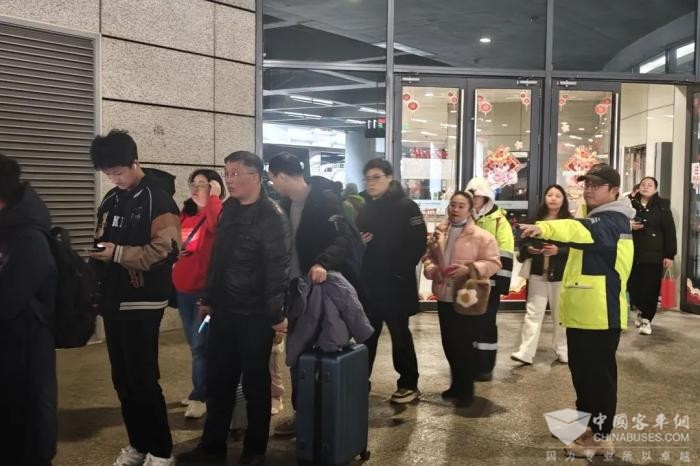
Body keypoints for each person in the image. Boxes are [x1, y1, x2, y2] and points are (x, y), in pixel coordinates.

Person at [177, 151, 291, 466]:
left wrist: (276, 314)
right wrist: (208, 298)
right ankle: (212, 447)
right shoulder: (228, 210)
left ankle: (255, 450)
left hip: (255, 315)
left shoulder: (272, 215)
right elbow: (218, 259)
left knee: (256, 385)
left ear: (256, 176)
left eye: (236, 173)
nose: (229, 179)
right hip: (224, 311)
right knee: (219, 382)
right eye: (227, 173)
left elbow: (278, 268)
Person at [519, 164, 634, 458]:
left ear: (614, 191)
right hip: (585, 313)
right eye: (587, 185)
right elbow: (584, 243)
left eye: (596, 185)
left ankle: (600, 436)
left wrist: (544, 227)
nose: (589, 190)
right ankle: (587, 428)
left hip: (600, 314)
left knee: (597, 378)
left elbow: (576, 229)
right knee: (583, 375)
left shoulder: (611, 220)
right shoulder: (599, 219)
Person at [88, 130, 180, 466]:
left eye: (118, 172)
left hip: (144, 301)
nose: (114, 179)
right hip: (114, 300)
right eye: (108, 173)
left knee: (143, 379)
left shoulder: (159, 199)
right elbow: (101, 239)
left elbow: (166, 252)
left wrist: (117, 253)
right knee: (122, 380)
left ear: (135, 162)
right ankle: (138, 444)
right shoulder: (111, 199)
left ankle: (161, 450)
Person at [266, 152, 355, 435]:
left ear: (281, 176)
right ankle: (302, 415)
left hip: (320, 291)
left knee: (325, 351)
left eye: (272, 178)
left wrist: (322, 263)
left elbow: (344, 239)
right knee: (297, 353)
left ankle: (326, 417)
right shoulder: (282, 204)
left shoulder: (324, 200)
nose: (272, 184)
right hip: (293, 290)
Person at [0, 154, 57, 466]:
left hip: (23, 354)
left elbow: (8, 300)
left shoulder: (27, 236)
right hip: (14, 353)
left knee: (27, 434)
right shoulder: (10, 227)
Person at [356, 158, 427, 404]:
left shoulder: (406, 206)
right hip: (370, 284)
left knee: (399, 334)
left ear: (389, 178)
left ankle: (408, 383)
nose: (371, 183)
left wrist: (398, 270)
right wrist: (359, 244)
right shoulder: (365, 206)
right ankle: (359, 381)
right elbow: (356, 240)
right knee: (366, 335)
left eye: (376, 177)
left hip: (396, 284)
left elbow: (418, 243)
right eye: (367, 178)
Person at [422, 191, 501, 406]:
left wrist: (469, 269)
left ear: (470, 210)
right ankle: (456, 385)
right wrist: (433, 270)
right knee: (449, 343)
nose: (455, 210)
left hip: (467, 297)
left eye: (460, 206)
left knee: (464, 345)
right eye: (452, 205)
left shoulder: (482, 237)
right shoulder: (440, 232)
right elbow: (428, 258)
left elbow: (494, 263)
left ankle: (466, 389)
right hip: (444, 295)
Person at [172, 169, 225, 419]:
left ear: (215, 186)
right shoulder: (186, 212)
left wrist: (213, 198)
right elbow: (177, 239)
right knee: (195, 343)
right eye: (193, 183)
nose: (195, 188)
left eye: (202, 184)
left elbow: (217, 227)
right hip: (184, 290)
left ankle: (201, 395)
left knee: (201, 344)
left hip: (206, 295)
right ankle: (200, 388)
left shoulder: (219, 211)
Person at [511, 184, 572, 365]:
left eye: (558, 196)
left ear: (563, 200)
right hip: (537, 272)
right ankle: (526, 351)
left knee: (560, 315)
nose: (553, 198)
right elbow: (522, 243)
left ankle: (562, 350)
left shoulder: (570, 221)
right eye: (550, 195)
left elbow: (576, 248)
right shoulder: (535, 219)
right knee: (533, 313)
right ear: (545, 198)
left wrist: (558, 251)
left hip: (560, 274)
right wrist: (528, 249)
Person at [464, 177, 515, 381]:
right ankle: (468, 362)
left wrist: (501, 284)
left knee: (486, 323)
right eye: (472, 196)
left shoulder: (499, 221)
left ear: (485, 197)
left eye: (477, 196)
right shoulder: (464, 216)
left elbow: (506, 251)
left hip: (489, 283)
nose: (475, 199)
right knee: (467, 323)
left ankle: (485, 367)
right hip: (465, 281)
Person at [629, 176, 677, 335]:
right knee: (634, 286)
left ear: (655, 189)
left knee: (650, 287)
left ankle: (646, 319)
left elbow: (669, 231)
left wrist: (669, 255)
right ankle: (641, 310)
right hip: (632, 252)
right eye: (643, 184)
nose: (645, 187)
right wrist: (629, 225)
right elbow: (618, 222)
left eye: (650, 185)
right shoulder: (630, 203)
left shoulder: (662, 206)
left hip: (654, 253)